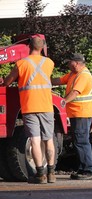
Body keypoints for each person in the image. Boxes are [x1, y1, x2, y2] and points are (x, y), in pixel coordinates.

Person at [2, 36, 56, 184]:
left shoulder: (21, 64)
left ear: (28, 47)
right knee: (48, 139)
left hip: (29, 107)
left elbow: (7, 82)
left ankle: (40, 174)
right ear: (42, 46)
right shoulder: (49, 63)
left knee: (35, 140)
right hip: (47, 107)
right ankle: (51, 173)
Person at [51, 53, 92, 180]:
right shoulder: (74, 74)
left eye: (69, 62)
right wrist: (44, 80)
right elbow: (59, 80)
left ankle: (90, 170)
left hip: (81, 113)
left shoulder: (83, 75)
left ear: (76, 63)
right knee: (79, 141)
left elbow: (75, 92)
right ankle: (84, 169)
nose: (67, 64)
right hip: (77, 113)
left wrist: (63, 102)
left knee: (82, 141)